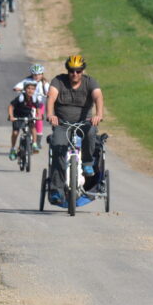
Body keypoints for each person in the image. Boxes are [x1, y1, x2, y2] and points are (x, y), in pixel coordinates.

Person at [45, 55, 104, 204]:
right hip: (62, 123)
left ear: (82, 71)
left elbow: (98, 96)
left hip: (84, 123)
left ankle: (87, 163)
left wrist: (98, 114)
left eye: (78, 71)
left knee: (91, 132)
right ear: (68, 70)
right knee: (57, 147)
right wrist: (50, 114)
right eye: (72, 71)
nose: (75, 74)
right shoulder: (58, 81)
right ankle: (57, 190)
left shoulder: (90, 82)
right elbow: (51, 97)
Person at [12, 64, 50, 151]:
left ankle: (38, 141)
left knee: (39, 121)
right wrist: (17, 88)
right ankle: (26, 133)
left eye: (39, 74)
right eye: (35, 74)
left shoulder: (44, 83)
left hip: (39, 105)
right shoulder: (27, 80)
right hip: (29, 104)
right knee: (26, 119)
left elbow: (49, 90)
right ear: (32, 74)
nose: (37, 76)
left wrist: (48, 93)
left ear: (42, 74)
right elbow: (18, 86)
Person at [7, 81, 43, 161]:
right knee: (15, 132)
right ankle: (13, 149)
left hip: (27, 115)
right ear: (25, 89)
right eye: (28, 88)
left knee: (33, 127)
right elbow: (11, 106)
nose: (30, 90)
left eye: (32, 89)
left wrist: (39, 116)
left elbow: (38, 108)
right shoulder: (20, 98)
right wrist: (11, 116)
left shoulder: (34, 99)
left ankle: (34, 144)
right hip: (17, 116)